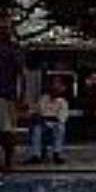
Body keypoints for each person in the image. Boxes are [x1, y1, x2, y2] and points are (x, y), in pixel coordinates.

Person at [25, 76, 69, 164]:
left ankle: (57, 153)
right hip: (42, 125)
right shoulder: (43, 98)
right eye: (53, 86)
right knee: (36, 128)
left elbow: (61, 118)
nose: (54, 89)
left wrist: (45, 118)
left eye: (57, 87)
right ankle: (36, 155)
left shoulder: (63, 102)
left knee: (60, 128)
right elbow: (36, 111)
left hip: (54, 126)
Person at [0, 12, 21, 170]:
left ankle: (8, 161)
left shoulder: (13, 48)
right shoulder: (12, 48)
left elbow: (20, 73)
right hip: (7, 93)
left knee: (7, 130)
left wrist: (19, 97)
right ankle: (7, 161)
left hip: (6, 94)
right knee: (7, 130)